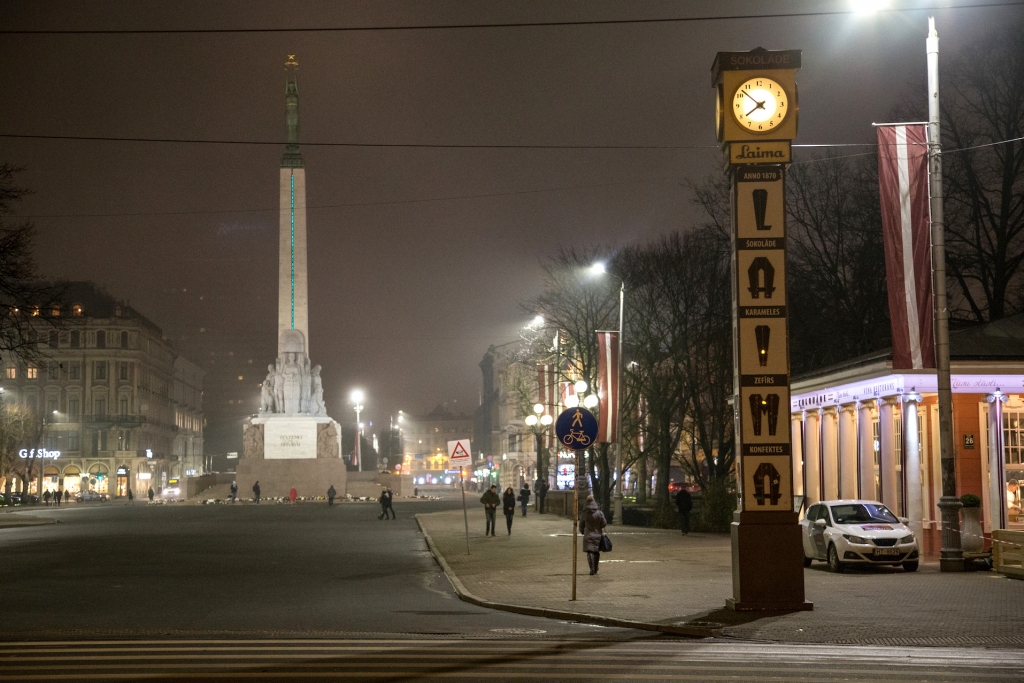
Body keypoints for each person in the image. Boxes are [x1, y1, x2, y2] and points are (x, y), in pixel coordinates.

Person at [579, 494, 608, 576]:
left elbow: (581, 525)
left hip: (588, 534)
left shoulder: (585, 513)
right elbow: (604, 524)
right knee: (596, 552)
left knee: (590, 552)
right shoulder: (599, 513)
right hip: (597, 534)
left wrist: (582, 531)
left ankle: (591, 569)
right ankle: (595, 568)